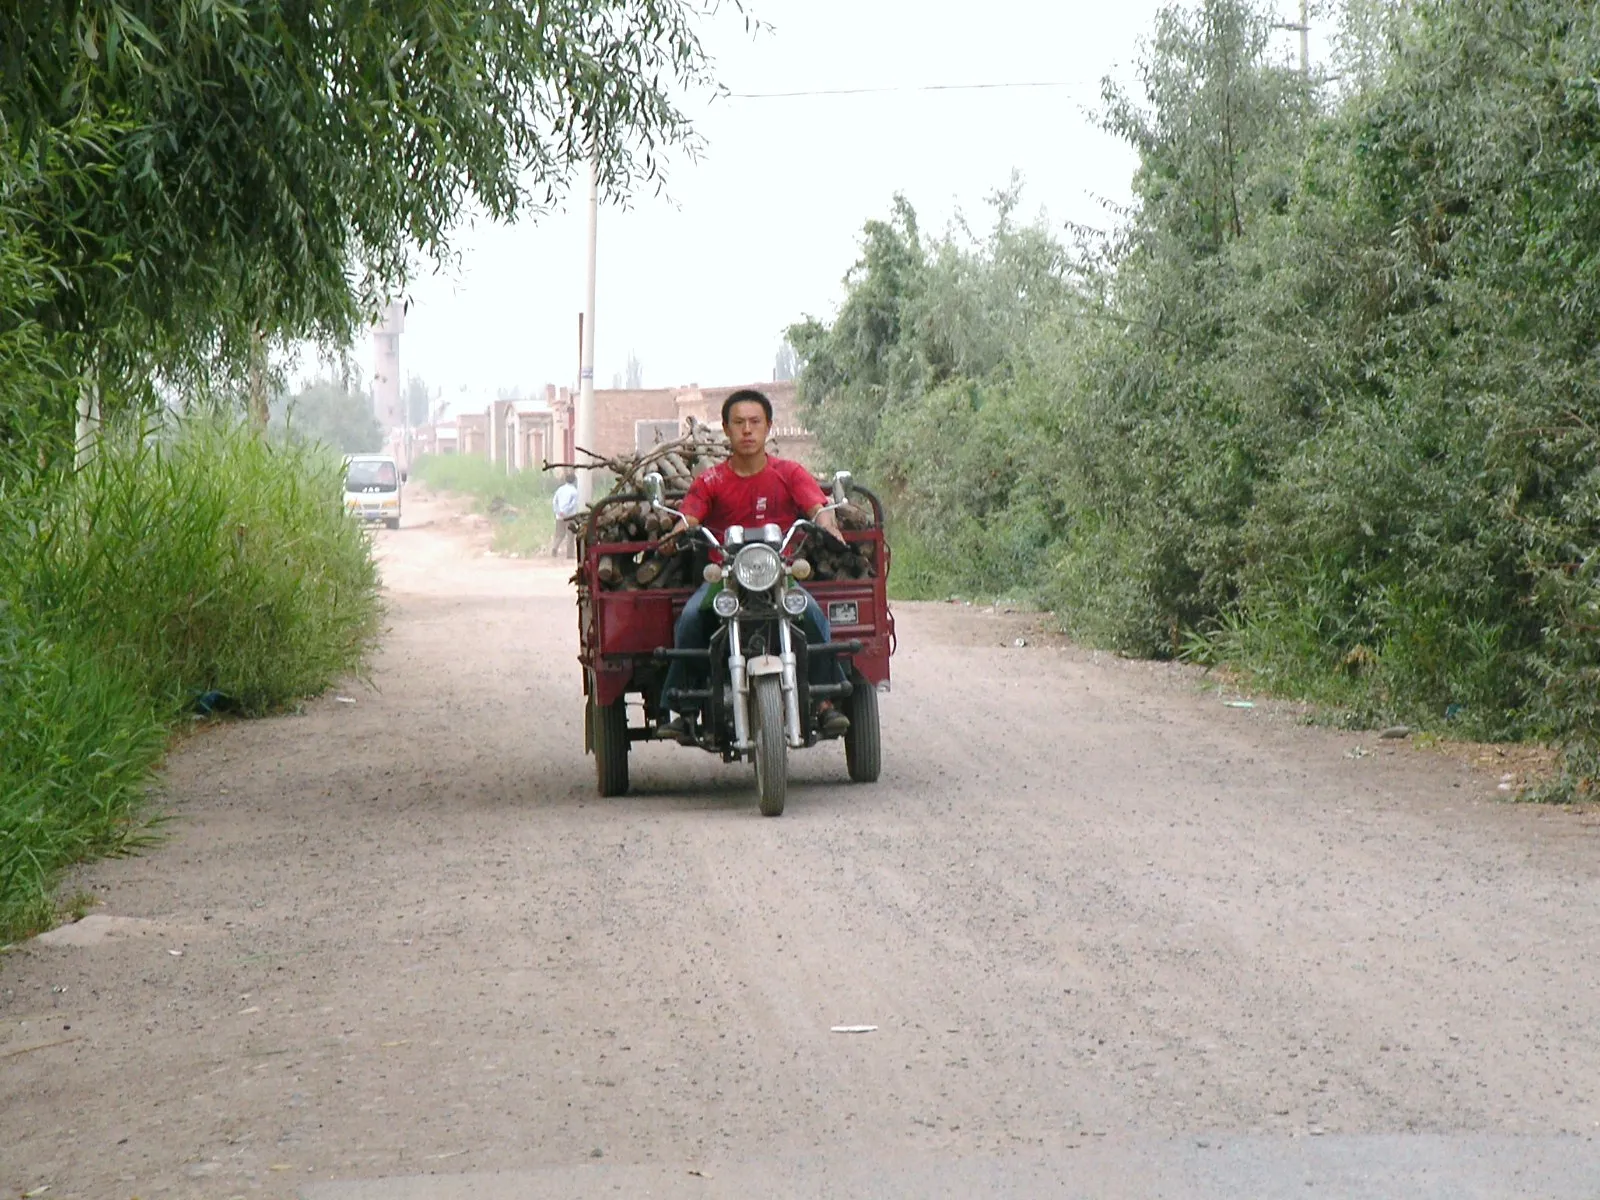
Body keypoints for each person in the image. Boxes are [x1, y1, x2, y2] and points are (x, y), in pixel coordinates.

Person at [658, 389, 850, 741]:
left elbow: (816, 508)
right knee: (690, 618)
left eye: (755, 422)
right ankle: (683, 706)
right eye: (739, 423)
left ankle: (824, 699)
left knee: (812, 615)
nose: (747, 430)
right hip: (728, 577)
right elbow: (690, 515)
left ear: (769, 428)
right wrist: (676, 531)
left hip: (779, 575)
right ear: (727, 431)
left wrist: (828, 525)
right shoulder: (711, 480)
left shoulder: (789, 473)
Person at [549, 472, 579, 559]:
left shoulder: (560, 489)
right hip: (570, 516)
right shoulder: (574, 491)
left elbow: (555, 501)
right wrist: (565, 512)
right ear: (574, 481)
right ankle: (570, 554)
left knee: (559, 534)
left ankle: (554, 548)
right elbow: (572, 504)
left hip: (559, 516)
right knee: (570, 535)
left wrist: (558, 511)